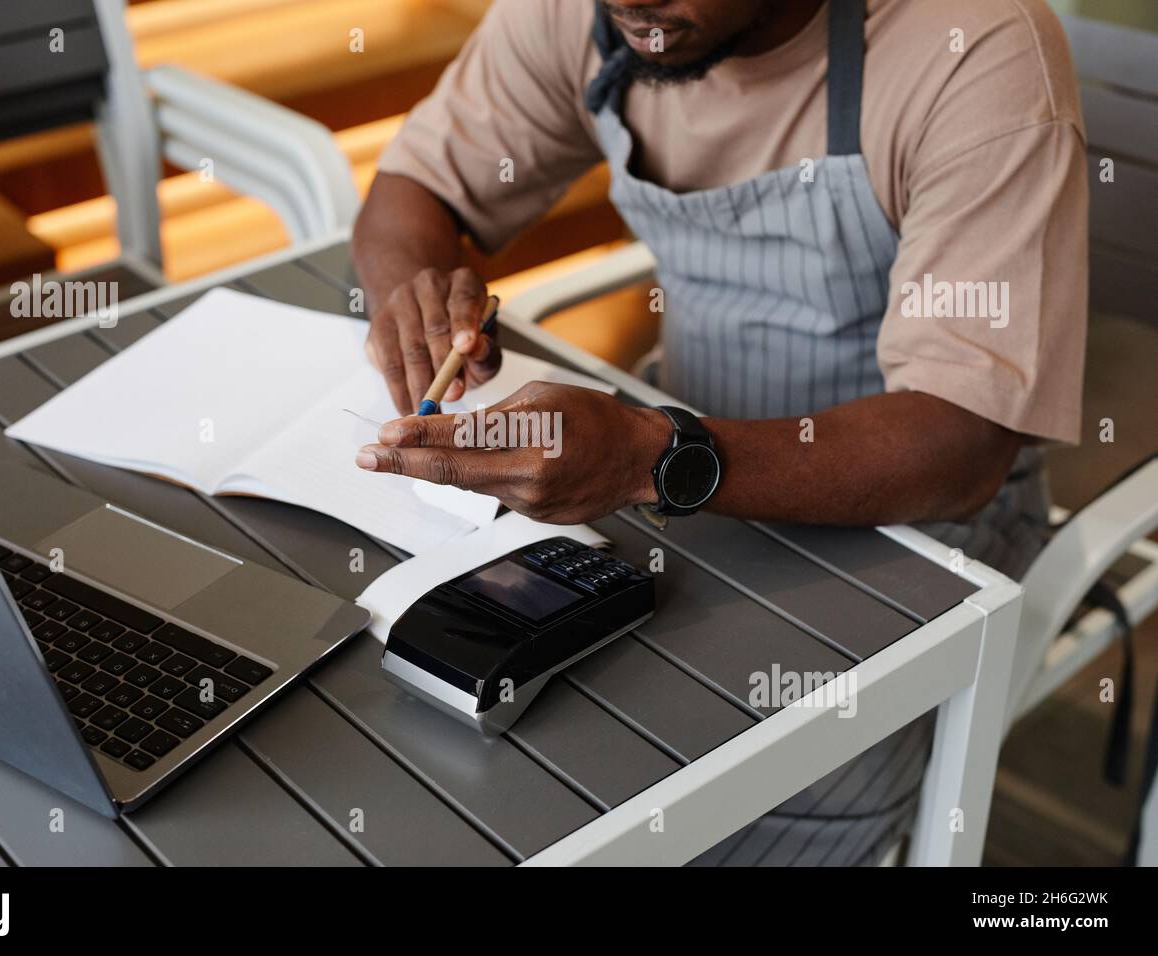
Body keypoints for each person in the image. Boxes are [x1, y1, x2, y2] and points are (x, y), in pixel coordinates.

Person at [351, 0, 1087, 864]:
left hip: (910, 518)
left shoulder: (975, 48)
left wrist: (652, 457)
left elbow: (957, 445)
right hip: (662, 475)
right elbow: (414, 193)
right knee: (516, 760)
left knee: (745, 801)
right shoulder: (597, 14)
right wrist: (420, 294)